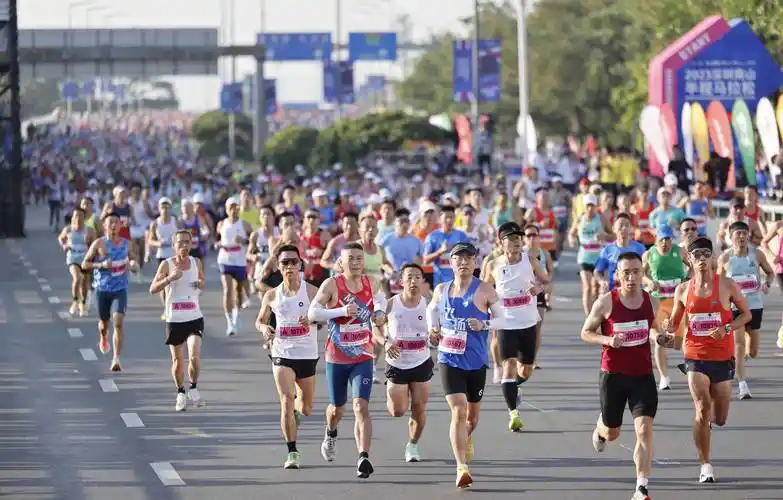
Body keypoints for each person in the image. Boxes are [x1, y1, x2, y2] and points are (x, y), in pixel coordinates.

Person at [664, 237, 751, 483]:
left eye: (706, 254)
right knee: (702, 408)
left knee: (719, 418)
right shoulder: (683, 290)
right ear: (689, 260)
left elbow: (746, 315)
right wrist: (667, 327)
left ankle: (708, 424)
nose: (702, 259)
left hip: (722, 357)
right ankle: (705, 465)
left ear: (712, 258)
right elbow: (674, 324)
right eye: (696, 255)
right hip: (695, 356)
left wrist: (727, 328)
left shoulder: (726, 285)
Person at [581, 251, 667, 500]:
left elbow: (653, 331)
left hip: (642, 376)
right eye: (626, 272)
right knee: (612, 432)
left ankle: (641, 487)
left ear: (643, 273)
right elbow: (586, 332)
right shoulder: (606, 302)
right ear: (617, 275)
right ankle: (601, 429)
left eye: (636, 271)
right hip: (613, 376)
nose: (631, 277)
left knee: (644, 430)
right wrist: (608, 339)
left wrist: (661, 338)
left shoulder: (652, 302)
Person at [307, 242, 387, 478]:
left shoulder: (371, 282)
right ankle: (331, 432)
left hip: (363, 354)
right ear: (341, 262)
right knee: (336, 410)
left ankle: (363, 457)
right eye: (350, 258)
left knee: (361, 406)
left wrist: (380, 314)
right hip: (337, 357)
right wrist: (340, 312)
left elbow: (380, 304)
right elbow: (313, 313)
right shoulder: (332, 284)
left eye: (359, 259)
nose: (355, 262)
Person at [427, 242, 502, 489]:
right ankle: (461, 468)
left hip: (476, 361)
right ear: (451, 263)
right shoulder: (441, 290)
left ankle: (464, 439)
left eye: (468, 259)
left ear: (475, 263)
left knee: (472, 417)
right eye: (458, 259)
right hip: (449, 358)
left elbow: (504, 320)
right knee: (458, 411)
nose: (463, 263)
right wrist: (433, 330)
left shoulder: (486, 290)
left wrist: (485, 325)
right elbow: (431, 311)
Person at [256, 245, 319, 470]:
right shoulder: (272, 294)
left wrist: (313, 320)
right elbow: (260, 320)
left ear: (300, 264)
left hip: (307, 354)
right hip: (282, 353)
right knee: (286, 400)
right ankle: (292, 451)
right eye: (285, 262)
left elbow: (325, 318)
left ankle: (296, 414)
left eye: (293, 261)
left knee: (306, 408)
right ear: (279, 266)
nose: (290, 266)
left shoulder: (312, 291)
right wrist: (264, 329)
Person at [483, 223, 549, 432]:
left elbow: (545, 280)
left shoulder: (530, 261)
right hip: (506, 321)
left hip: (528, 321)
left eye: (519, 239)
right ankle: (513, 413)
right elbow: (484, 288)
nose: (517, 242)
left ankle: (515, 386)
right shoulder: (493, 264)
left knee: (525, 370)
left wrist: (538, 288)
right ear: (501, 243)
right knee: (509, 365)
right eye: (511, 239)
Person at [374, 263, 432, 463]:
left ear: (423, 281)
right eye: (409, 277)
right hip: (397, 364)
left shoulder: (429, 304)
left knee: (419, 407)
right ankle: (392, 390)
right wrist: (385, 342)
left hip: (421, 361)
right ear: (401, 282)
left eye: (417, 277)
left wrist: (435, 335)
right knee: (398, 411)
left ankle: (412, 445)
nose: (413, 281)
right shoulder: (390, 304)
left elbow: (438, 328)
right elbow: (375, 328)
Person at [149, 229, 205, 412]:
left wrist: (200, 284)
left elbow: (201, 281)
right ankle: (181, 392)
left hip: (194, 317)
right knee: (178, 361)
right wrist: (169, 279)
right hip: (175, 319)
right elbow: (153, 289)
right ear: (173, 246)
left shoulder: (196, 262)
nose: (184, 246)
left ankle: (193, 387)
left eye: (187, 242)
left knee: (195, 356)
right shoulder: (167, 264)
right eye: (180, 242)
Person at [716, 221, 773, 400]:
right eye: (737, 234)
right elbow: (720, 284)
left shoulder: (757, 254)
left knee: (753, 351)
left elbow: (770, 273)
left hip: (755, 306)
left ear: (748, 235)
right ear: (730, 237)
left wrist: (766, 283)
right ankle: (742, 385)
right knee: (738, 345)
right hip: (735, 308)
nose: (741, 237)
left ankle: (740, 361)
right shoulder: (725, 258)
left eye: (744, 233)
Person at [82, 212, 140, 372]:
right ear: (105, 225)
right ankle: (103, 336)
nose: (113, 225)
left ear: (121, 225)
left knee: (119, 322)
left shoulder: (126, 244)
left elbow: (134, 259)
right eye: (110, 223)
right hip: (102, 289)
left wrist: (134, 265)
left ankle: (116, 358)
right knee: (104, 324)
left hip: (120, 289)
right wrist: (100, 265)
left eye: (116, 222)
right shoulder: (99, 244)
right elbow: (85, 264)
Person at [642, 226, 688, 391]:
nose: (665, 242)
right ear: (656, 239)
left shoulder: (680, 252)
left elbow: (694, 267)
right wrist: (649, 282)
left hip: (678, 304)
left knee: (677, 343)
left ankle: (688, 364)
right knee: (660, 340)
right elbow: (641, 273)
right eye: (662, 239)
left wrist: (688, 280)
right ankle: (663, 377)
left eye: (668, 239)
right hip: (658, 302)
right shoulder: (649, 254)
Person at [216, 197, 253, 336]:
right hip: (225, 258)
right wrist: (219, 243)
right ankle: (229, 323)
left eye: (236, 207)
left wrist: (244, 241)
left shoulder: (245, 224)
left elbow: (252, 241)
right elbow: (219, 238)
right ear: (226, 209)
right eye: (231, 207)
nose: (233, 210)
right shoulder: (221, 224)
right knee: (227, 290)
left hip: (239, 259)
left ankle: (236, 318)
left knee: (238, 291)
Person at [569, 194, 611, 314]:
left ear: (596, 206)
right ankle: (588, 316)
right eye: (588, 206)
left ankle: (595, 312)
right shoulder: (579, 218)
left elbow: (613, 235)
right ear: (584, 206)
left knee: (595, 288)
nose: (590, 208)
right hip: (584, 257)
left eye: (592, 206)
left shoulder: (601, 218)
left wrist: (605, 235)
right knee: (587, 287)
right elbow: (571, 233)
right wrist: (571, 239)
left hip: (598, 258)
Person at [58, 207, 97, 317]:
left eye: (80, 216)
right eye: (75, 216)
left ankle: (82, 303)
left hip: (85, 258)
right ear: (72, 217)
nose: (78, 218)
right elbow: (61, 238)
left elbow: (95, 245)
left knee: (84, 282)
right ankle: (75, 300)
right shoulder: (68, 229)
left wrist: (89, 243)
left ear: (84, 217)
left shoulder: (89, 230)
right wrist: (65, 245)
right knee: (77, 278)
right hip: (73, 257)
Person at [147, 197, 181, 320]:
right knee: (164, 283)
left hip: (175, 255)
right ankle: (167, 309)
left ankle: (173, 307)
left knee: (175, 283)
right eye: (163, 207)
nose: (165, 210)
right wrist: (157, 244)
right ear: (159, 209)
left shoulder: (175, 221)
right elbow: (150, 240)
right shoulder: (155, 223)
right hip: (161, 256)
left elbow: (184, 236)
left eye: (167, 207)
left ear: (171, 209)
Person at [595, 214, 646, 292]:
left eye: (627, 225)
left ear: (631, 229)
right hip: (615, 292)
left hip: (636, 293)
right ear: (614, 229)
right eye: (621, 225)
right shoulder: (607, 250)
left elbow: (647, 269)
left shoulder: (640, 248)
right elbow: (597, 272)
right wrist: (602, 282)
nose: (624, 228)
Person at [422, 205, 470, 287]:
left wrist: (457, 249)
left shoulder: (461, 236)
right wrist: (440, 251)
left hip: (459, 283)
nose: (449, 220)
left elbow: (470, 257)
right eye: (446, 217)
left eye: (451, 217)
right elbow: (425, 260)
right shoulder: (432, 236)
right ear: (440, 219)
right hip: (440, 284)